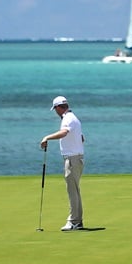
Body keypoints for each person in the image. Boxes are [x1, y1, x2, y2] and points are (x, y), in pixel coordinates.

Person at [40, 96, 85, 231]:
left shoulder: (67, 119)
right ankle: (78, 221)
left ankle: (73, 221)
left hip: (72, 159)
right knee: (75, 190)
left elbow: (64, 132)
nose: (56, 112)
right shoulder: (74, 118)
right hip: (78, 158)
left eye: (55, 109)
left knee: (72, 191)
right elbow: (82, 138)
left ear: (59, 107)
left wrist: (47, 137)